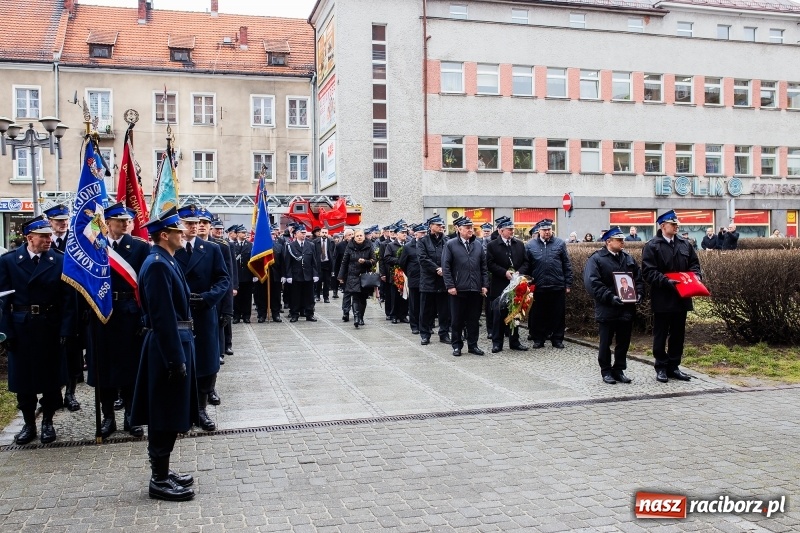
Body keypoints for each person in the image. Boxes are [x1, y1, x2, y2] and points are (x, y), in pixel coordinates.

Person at [129, 207, 197, 501]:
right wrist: (174, 358)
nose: (184, 234)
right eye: (179, 231)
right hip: (167, 347)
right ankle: (158, 479)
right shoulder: (157, 264)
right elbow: (162, 316)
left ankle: (163, 471)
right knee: (163, 412)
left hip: (175, 343)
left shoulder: (165, 260)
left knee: (170, 410)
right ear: (165, 235)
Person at [0, 215, 71, 445]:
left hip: (49, 326)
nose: (48, 239)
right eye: (43, 236)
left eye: (49, 235)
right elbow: (2, 300)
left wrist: (66, 330)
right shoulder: (10, 261)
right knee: (24, 380)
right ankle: (29, 423)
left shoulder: (59, 260)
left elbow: (69, 300)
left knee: (50, 379)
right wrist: (6, 332)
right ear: (29, 238)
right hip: (22, 328)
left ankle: (47, 421)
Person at [85, 202, 150, 438]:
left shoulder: (140, 248)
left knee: (131, 367)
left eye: (128, 220)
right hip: (101, 314)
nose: (125, 224)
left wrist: (145, 317)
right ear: (107, 223)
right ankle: (108, 417)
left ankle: (132, 417)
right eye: (119, 220)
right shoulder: (95, 247)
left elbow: (145, 285)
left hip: (129, 315)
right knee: (104, 368)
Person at [174, 205, 230, 431]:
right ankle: (182, 411)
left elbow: (223, 279)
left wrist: (208, 298)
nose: (194, 227)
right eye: (188, 224)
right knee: (181, 363)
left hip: (205, 313)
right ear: (180, 225)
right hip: (181, 315)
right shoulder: (172, 249)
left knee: (207, 364)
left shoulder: (211, 249)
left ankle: (201, 410)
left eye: (196, 223)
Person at [642, 210, 702, 383]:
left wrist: (696, 276)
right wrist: (666, 281)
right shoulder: (652, 245)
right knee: (661, 334)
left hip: (682, 296)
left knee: (678, 334)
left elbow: (694, 264)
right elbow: (648, 272)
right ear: (662, 226)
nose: (676, 227)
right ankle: (661, 366)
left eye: (677, 224)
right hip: (663, 296)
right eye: (673, 224)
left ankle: (674, 366)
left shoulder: (685, 244)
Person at [584, 227, 644, 384]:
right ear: (608, 241)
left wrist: (639, 293)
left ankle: (619, 369)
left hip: (626, 308)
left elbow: (638, 278)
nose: (623, 242)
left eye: (623, 239)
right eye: (619, 240)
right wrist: (610, 297)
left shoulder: (627, 258)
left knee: (623, 341)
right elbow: (593, 283)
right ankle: (606, 371)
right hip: (607, 308)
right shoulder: (596, 259)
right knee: (605, 342)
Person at [43, 204, 84, 413]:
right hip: (51, 305)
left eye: (65, 219)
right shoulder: (45, 242)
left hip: (74, 304)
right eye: (58, 220)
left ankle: (71, 393)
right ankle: (54, 393)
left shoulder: (76, 242)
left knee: (72, 354)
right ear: (49, 221)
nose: (63, 223)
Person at [442, 216, 489, 357]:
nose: (470, 230)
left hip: (475, 289)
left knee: (473, 319)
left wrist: (484, 284)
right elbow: (446, 267)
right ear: (459, 229)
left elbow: (483, 267)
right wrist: (450, 285)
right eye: (467, 227)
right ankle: (456, 346)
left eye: (472, 227)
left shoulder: (478, 245)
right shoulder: (450, 244)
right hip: (458, 289)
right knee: (457, 319)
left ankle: (473, 345)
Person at [525, 219, 573, 349]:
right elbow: (527, 266)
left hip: (556, 285)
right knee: (538, 314)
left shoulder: (560, 243)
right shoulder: (530, 245)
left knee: (557, 314)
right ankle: (538, 339)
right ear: (539, 231)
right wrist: (526, 283)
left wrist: (568, 284)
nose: (547, 232)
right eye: (544, 230)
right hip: (538, 285)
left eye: (549, 229)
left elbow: (566, 264)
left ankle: (557, 339)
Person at [486, 216, 529, 353]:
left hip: (516, 284)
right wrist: (504, 272)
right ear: (501, 231)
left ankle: (514, 341)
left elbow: (526, 262)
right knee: (499, 314)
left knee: (515, 313)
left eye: (512, 229)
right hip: (500, 284)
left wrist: (519, 272)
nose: (512, 231)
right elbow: (490, 264)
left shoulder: (519, 244)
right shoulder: (492, 245)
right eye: (509, 229)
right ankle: (497, 343)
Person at [417, 215, 451, 346]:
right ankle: (425, 334)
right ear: (431, 226)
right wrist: (437, 269)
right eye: (438, 225)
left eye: (442, 226)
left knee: (444, 311)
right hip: (428, 281)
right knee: (426, 310)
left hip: (443, 281)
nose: (441, 228)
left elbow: (450, 257)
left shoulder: (447, 241)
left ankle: (444, 333)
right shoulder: (423, 241)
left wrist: (445, 269)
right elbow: (423, 259)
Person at [337, 229, 377, 328]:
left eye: (361, 236)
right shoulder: (349, 246)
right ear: (354, 237)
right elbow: (344, 262)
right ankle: (356, 317)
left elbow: (374, 261)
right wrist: (341, 276)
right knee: (355, 296)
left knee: (363, 298)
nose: (359, 237)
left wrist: (365, 261)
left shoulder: (369, 246)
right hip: (352, 275)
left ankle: (361, 317)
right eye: (357, 236)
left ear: (364, 237)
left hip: (364, 276)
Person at [209, 217, 237, 355]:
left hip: (225, 286)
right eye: (217, 229)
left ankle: (228, 344)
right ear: (211, 229)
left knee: (225, 317)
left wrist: (234, 286)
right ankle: (219, 349)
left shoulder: (226, 245)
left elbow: (232, 269)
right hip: (213, 288)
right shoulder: (212, 244)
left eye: (221, 229)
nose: (219, 231)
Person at [284, 224, 319, 322]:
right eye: (302, 233)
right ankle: (295, 314)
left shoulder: (310, 245)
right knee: (295, 296)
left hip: (308, 275)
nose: (304, 235)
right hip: (296, 275)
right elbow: (288, 262)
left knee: (309, 296)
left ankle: (309, 314)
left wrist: (315, 274)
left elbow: (314, 261)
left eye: (305, 233)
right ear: (296, 234)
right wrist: (288, 275)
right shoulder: (290, 246)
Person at [399, 223, 425, 335]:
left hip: (426, 278)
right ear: (416, 234)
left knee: (425, 304)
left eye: (425, 233)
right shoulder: (408, 246)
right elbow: (402, 263)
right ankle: (414, 326)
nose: (424, 235)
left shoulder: (427, 245)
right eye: (422, 233)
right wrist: (410, 272)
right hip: (414, 278)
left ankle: (425, 325)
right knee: (414, 304)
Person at [232, 226, 253, 323]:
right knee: (236, 297)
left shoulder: (250, 245)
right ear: (237, 234)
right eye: (242, 232)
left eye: (245, 232)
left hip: (247, 275)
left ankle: (246, 315)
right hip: (236, 275)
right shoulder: (232, 245)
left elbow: (254, 261)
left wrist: (255, 275)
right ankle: (236, 315)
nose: (245, 234)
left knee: (247, 297)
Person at [334, 229, 354, 320]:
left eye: (352, 234)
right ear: (345, 236)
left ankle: (357, 312)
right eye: (349, 235)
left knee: (357, 295)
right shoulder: (339, 246)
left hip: (357, 273)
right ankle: (346, 312)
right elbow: (337, 261)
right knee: (347, 294)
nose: (351, 236)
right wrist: (338, 275)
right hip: (346, 274)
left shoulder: (358, 244)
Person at [314, 227, 336, 303]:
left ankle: (326, 297)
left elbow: (333, 254)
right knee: (318, 280)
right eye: (323, 232)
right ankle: (317, 295)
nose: (324, 234)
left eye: (326, 233)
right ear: (320, 233)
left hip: (327, 263)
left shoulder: (331, 242)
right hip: (319, 263)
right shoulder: (315, 242)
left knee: (327, 281)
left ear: (328, 233)